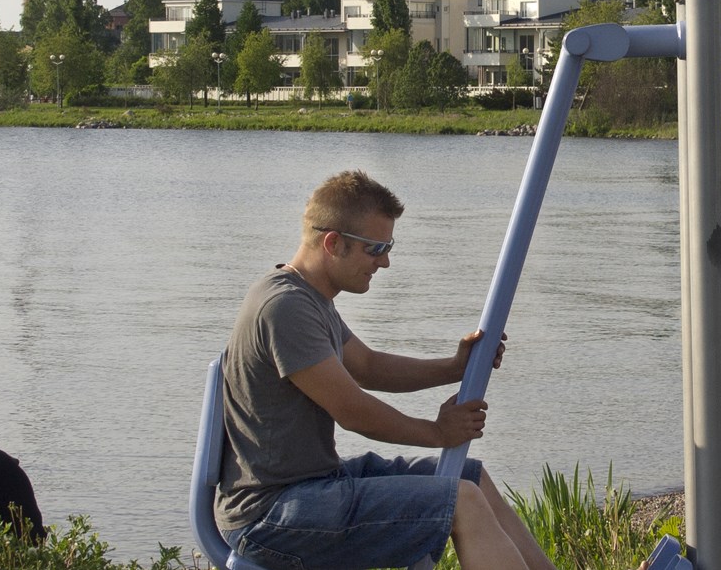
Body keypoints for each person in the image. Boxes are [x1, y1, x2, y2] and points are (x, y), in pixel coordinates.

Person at [216, 170, 555, 570]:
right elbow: (354, 411)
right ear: (333, 243)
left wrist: (454, 368)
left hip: (314, 488)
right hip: (271, 515)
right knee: (461, 501)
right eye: (375, 248)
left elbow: (369, 367)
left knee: (468, 478)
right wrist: (436, 432)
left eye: (388, 247)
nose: (386, 262)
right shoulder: (285, 307)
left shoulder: (309, 299)